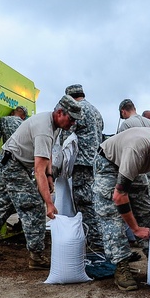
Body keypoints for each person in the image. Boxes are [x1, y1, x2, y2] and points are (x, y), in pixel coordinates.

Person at [0, 95, 82, 269]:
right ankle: (36, 257)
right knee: (33, 205)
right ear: (60, 112)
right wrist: (48, 203)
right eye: (71, 119)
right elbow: (38, 170)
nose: (72, 124)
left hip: (12, 162)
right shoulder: (44, 129)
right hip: (13, 164)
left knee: (4, 204)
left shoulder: (55, 125)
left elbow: (46, 157)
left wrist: (49, 177)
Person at [95, 129, 150, 291]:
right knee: (111, 214)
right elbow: (119, 196)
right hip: (109, 163)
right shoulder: (136, 151)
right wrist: (135, 229)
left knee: (145, 210)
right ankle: (121, 265)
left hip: (134, 167)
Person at [62, 84, 106, 251]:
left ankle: (95, 244)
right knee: (94, 202)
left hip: (81, 164)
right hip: (95, 163)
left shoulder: (77, 110)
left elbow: (67, 135)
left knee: (84, 204)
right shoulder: (96, 111)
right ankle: (98, 240)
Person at [117, 98, 150, 223]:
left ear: (123, 111)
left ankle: (136, 227)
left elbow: (123, 149)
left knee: (138, 199)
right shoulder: (149, 122)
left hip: (138, 166)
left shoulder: (126, 124)